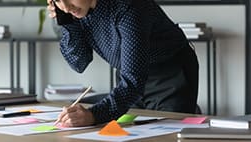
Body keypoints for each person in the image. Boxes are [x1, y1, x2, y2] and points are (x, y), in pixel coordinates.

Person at [47, 0, 199, 127]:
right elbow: (78, 63)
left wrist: (93, 115)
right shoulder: (75, 12)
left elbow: (133, 83)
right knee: (130, 133)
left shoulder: (128, 6)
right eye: (59, 0)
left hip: (169, 74)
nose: (66, 7)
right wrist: (67, 21)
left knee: (167, 132)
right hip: (129, 74)